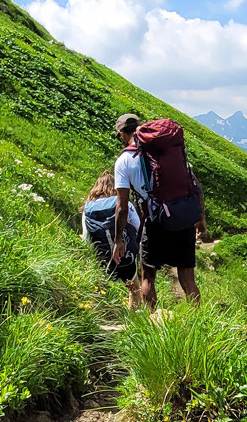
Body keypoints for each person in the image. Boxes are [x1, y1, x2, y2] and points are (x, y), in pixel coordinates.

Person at [111, 112, 204, 308]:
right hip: (183, 216)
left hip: (155, 221)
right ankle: (200, 321)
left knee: (148, 277)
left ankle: (151, 321)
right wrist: (200, 218)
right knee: (188, 278)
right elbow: (194, 183)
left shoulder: (124, 161)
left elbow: (122, 206)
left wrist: (118, 239)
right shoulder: (166, 150)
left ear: (121, 133)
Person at [81, 169, 142, 308]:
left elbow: (86, 237)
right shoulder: (122, 203)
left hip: (100, 259)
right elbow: (138, 228)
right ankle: (135, 318)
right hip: (125, 256)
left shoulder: (88, 208)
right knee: (134, 287)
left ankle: (99, 311)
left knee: (97, 286)